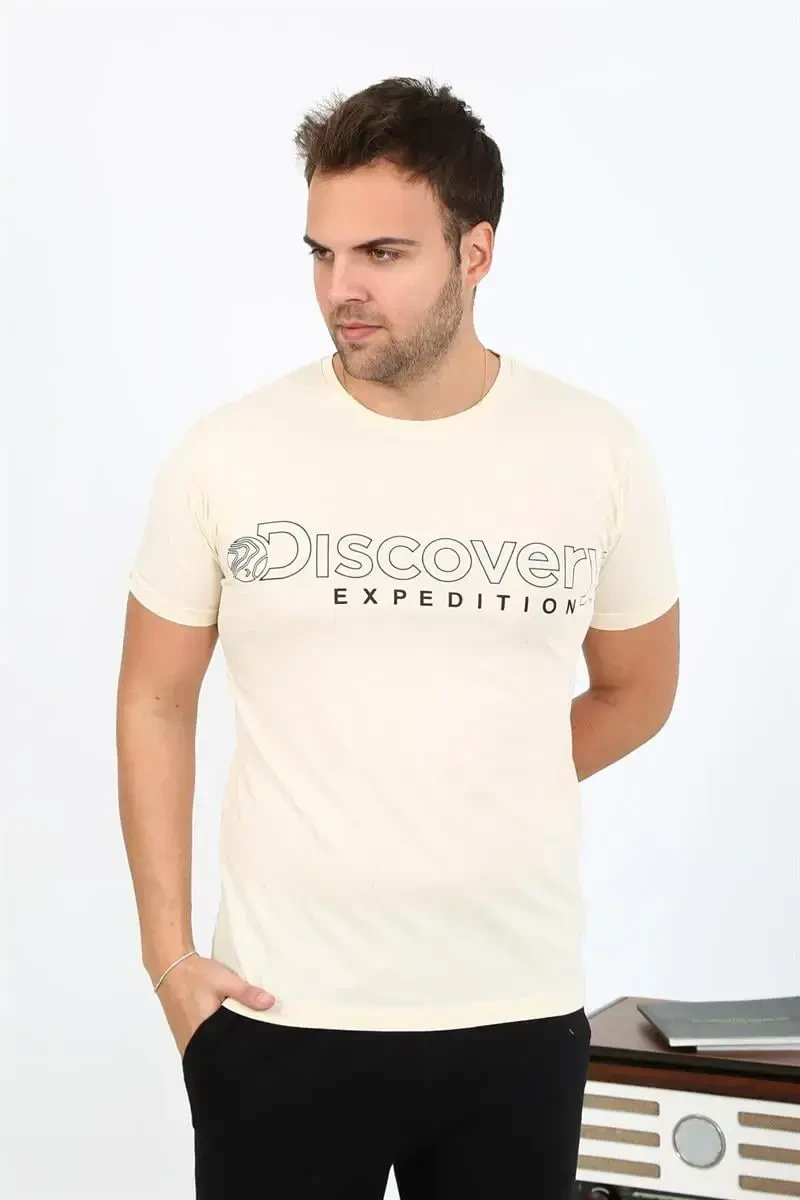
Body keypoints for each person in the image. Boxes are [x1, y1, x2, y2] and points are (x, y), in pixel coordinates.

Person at [117, 75, 680, 1199]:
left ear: (476, 252)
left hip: (515, 1015)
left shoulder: (593, 450)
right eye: (322, 254)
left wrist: (480, 775)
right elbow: (155, 699)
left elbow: (637, 690)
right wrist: (169, 960)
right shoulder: (230, 453)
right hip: (277, 1015)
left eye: (381, 253)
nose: (342, 290)